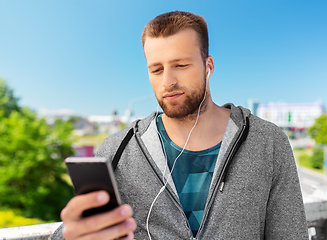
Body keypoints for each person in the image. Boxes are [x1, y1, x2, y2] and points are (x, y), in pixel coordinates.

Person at [53, 11, 308, 240]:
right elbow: (77, 230)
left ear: (208, 67)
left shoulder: (267, 142)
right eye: (156, 70)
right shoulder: (117, 150)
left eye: (181, 65)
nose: (167, 81)